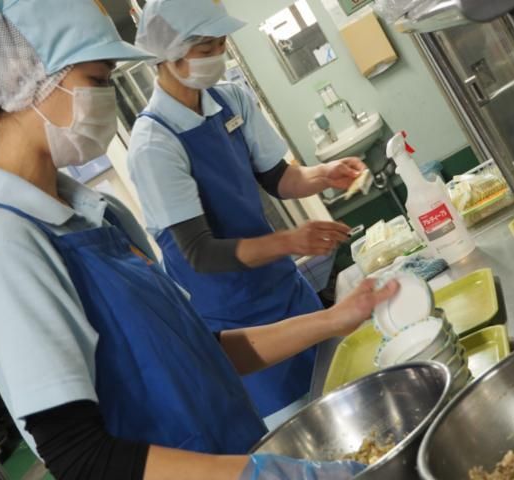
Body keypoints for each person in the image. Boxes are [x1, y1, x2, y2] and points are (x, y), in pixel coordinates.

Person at [0, 0, 398, 479]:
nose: (106, 98)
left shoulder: (95, 215)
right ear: (25, 80)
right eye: (96, 79)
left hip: (233, 449)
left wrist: (335, 319)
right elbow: (80, 455)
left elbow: (198, 349)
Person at [129, 0, 367, 417]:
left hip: (285, 291)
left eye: (221, 44)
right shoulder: (154, 144)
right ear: (168, 55)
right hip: (237, 322)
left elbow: (278, 177)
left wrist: (324, 174)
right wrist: (290, 241)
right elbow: (200, 252)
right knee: (302, 424)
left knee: (347, 390)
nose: (218, 55)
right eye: (206, 49)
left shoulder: (231, 100)